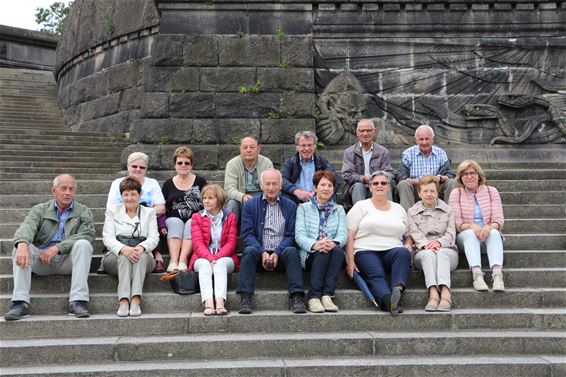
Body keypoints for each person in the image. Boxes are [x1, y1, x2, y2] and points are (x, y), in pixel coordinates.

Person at [4, 174, 95, 320]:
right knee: (20, 248)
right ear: (54, 191)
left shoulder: (83, 211)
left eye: (71, 189)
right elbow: (27, 227)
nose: (67, 192)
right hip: (42, 259)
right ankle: (20, 303)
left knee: (84, 244)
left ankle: (78, 301)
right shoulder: (40, 210)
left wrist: (58, 248)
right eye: (63, 188)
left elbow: (88, 234)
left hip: (67, 260)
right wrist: (22, 244)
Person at [237, 169, 306, 314]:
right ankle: (245, 297)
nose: (271, 188)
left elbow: (291, 235)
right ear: (261, 185)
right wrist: (262, 252)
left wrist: (277, 252)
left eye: (275, 184)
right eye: (267, 184)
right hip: (258, 253)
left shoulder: (291, 206)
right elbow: (247, 234)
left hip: (281, 254)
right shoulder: (250, 205)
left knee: (292, 251)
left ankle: (297, 296)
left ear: (281, 185)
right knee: (249, 251)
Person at [346, 171, 412, 315]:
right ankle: (389, 301)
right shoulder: (361, 206)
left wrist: (408, 244)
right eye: (375, 183)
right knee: (376, 275)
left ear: (389, 187)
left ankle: (397, 289)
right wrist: (350, 261)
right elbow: (349, 236)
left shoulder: (398, 209)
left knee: (403, 253)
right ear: (370, 187)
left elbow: (409, 234)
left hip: (393, 250)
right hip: (365, 250)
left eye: (384, 183)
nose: (379, 186)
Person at [102, 177, 159, 317]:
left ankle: (135, 300)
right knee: (124, 257)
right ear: (121, 196)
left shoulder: (149, 213)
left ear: (140, 195)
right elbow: (107, 238)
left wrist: (140, 248)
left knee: (139, 256)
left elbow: (154, 238)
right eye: (125, 194)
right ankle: (123, 301)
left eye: (133, 194)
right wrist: (123, 249)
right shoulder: (112, 211)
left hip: (144, 256)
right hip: (115, 257)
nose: (129, 198)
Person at [449, 160, 505, 292]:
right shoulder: (456, 193)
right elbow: (456, 222)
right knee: (469, 234)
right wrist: (471, 226)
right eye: (464, 174)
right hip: (466, 237)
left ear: (479, 175)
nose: (469, 177)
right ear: (460, 178)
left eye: (472, 173)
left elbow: (499, 220)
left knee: (495, 233)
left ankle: (497, 276)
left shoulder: (492, 191)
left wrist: (489, 227)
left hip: (487, 236)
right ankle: (477, 275)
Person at [295, 170, 347, 313]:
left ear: (333, 189)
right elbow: (299, 235)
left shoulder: (339, 209)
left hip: (332, 252)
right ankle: (314, 296)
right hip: (309, 254)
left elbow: (343, 234)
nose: (326, 188)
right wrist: (316, 244)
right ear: (315, 188)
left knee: (336, 251)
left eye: (330, 185)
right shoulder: (303, 208)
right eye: (322, 185)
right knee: (323, 252)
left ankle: (327, 295)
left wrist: (333, 243)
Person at [106, 151, 166, 273]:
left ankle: (157, 255)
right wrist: (128, 210)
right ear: (128, 166)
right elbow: (110, 207)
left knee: (149, 225)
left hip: (148, 218)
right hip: (121, 218)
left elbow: (161, 208)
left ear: (146, 169)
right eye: (134, 166)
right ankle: (107, 256)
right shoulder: (117, 183)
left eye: (142, 167)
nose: (138, 169)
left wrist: (141, 211)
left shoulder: (152, 183)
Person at [407, 175, 458, 312]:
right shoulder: (411, 212)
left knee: (440, 253)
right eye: (425, 191)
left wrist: (438, 242)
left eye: (432, 191)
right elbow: (415, 235)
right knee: (429, 254)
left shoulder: (448, 210)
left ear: (437, 192)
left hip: (447, 251)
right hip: (422, 252)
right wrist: (427, 245)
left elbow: (451, 234)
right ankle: (433, 293)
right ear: (419, 193)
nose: (429, 194)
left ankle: (446, 293)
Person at [189, 184, 239, 316]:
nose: (206, 200)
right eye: (204, 198)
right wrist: (211, 258)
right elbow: (198, 244)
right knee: (205, 265)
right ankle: (208, 302)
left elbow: (231, 243)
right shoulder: (197, 217)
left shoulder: (230, 217)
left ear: (219, 200)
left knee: (221, 264)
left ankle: (220, 302)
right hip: (202, 257)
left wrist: (217, 258)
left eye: (210, 198)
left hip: (225, 257)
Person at [161, 146, 207, 272]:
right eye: (179, 162)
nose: (183, 165)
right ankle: (173, 260)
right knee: (176, 223)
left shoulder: (201, 181)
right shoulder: (167, 184)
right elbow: (162, 207)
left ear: (191, 165)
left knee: (191, 222)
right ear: (175, 165)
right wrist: (161, 225)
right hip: (173, 220)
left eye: (187, 162)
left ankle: (183, 259)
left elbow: (207, 202)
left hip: (195, 219)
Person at [396, 125, 456, 211]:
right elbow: (400, 175)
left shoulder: (441, 153)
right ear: (416, 140)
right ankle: (407, 218)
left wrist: (439, 178)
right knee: (403, 184)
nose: (424, 142)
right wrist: (414, 181)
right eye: (421, 139)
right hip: (416, 190)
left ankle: (449, 214)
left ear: (433, 139)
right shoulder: (408, 154)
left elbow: (451, 173)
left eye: (427, 139)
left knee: (452, 182)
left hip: (436, 190)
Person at [342, 119, 395, 206]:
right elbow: (347, 175)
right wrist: (363, 179)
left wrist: (377, 179)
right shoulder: (349, 152)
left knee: (385, 185)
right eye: (362, 131)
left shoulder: (383, 151)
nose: (365, 133)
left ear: (374, 132)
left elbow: (390, 173)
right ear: (357, 133)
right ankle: (360, 216)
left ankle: (387, 215)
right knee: (358, 186)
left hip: (378, 185)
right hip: (358, 187)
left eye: (369, 130)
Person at [281, 130, 340, 203]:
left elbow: (336, 179)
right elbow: (282, 180)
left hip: (318, 198)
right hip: (295, 199)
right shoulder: (290, 162)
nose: (306, 149)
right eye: (303, 145)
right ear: (297, 147)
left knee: (331, 195)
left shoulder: (322, 162)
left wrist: (318, 192)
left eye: (309, 145)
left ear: (314, 146)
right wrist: (296, 191)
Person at [224, 136, 273, 221]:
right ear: (240, 149)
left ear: (258, 149)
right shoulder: (232, 164)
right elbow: (229, 189)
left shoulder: (266, 163)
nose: (248, 150)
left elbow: (271, 185)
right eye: (245, 147)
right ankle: (230, 232)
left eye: (252, 147)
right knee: (232, 204)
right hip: (240, 199)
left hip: (261, 198)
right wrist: (242, 197)